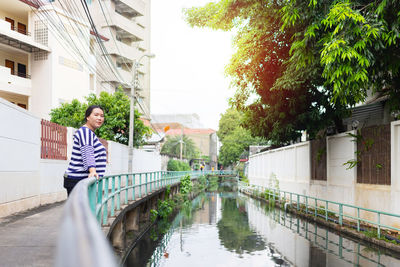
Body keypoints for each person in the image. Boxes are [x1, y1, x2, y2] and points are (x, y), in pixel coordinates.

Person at [63, 105, 107, 196]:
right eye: (96, 115)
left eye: (102, 116)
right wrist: (92, 171)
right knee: (78, 210)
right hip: (77, 180)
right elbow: (87, 152)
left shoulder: (90, 133)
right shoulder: (85, 132)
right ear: (87, 117)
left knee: (82, 209)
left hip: (81, 180)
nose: (99, 118)